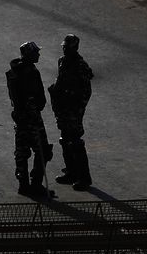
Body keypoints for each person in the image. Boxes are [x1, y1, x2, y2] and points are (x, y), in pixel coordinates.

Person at [48, 34, 94, 190]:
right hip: (63, 108)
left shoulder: (80, 65)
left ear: (74, 48)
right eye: (64, 47)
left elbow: (86, 91)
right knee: (65, 140)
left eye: (67, 47)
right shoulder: (62, 62)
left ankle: (84, 178)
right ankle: (71, 172)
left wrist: (78, 109)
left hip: (73, 110)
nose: (64, 49)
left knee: (75, 142)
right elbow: (60, 81)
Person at [7, 41, 52, 197]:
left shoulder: (16, 71)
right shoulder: (29, 73)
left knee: (22, 152)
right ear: (29, 55)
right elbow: (36, 98)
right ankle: (35, 184)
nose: (38, 54)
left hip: (22, 118)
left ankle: (24, 184)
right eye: (35, 52)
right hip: (31, 118)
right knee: (42, 150)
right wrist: (34, 107)